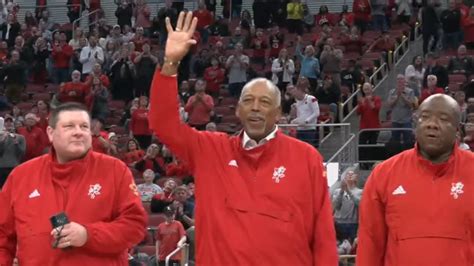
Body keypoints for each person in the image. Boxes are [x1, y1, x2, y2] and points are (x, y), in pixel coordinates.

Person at [148, 11, 338, 265]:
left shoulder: (306, 158)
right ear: (238, 110)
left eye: (265, 102)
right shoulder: (209, 149)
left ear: (279, 113)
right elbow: (163, 123)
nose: (256, 107)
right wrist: (170, 64)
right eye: (248, 101)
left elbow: (323, 235)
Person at [0, 102, 147, 265]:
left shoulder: (115, 170)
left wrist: (88, 235)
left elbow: (135, 225)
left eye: (84, 127)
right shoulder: (21, 176)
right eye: (69, 126)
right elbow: (2, 236)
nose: (78, 132)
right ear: (50, 133)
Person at [357, 94, 474, 265]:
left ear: (457, 129)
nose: (432, 124)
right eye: (424, 117)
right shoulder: (384, 175)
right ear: (415, 123)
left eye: (443, 119)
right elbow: (370, 244)